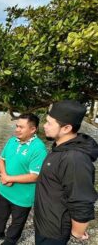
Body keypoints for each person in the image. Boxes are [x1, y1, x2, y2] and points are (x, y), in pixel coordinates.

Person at [34, 100, 98, 245]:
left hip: (54, 229)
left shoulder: (75, 158)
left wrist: (77, 232)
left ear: (66, 128)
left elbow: (82, 200)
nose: (44, 125)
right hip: (44, 221)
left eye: (49, 123)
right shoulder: (59, 147)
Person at [0, 113, 47, 245]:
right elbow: (2, 159)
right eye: (16, 126)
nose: (17, 129)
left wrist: (10, 178)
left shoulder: (39, 148)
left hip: (22, 196)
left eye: (21, 127)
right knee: (0, 214)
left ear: (33, 129)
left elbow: (35, 175)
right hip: (4, 189)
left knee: (17, 221)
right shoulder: (12, 140)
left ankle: (10, 241)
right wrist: (4, 176)